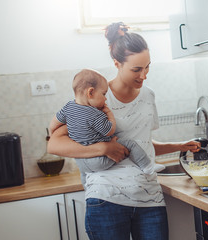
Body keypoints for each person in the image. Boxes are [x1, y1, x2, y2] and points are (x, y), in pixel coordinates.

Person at [48, 22, 200, 240]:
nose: (144, 75)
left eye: (148, 66)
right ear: (117, 63)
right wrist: (104, 147)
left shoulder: (148, 96)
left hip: (149, 198)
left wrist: (178, 146)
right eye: (136, 69)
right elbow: (54, 144)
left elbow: (141, 144)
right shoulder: (96, 97)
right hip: (106, 199)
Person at [48, 69, 159, 187]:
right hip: (99, 160)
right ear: (90, 93)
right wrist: (109, 113)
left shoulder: (68, 107)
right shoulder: (95, 113)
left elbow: (54, 123)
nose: (105, 99)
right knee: (130, 144)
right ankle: (148, 167)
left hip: (82, 162)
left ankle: (86, 186)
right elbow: (109, 131)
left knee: (85, 175)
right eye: (104, 94)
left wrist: (51, 132)